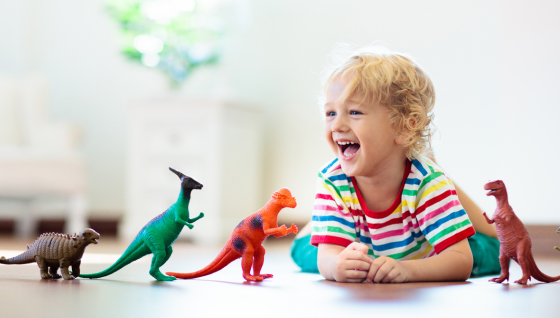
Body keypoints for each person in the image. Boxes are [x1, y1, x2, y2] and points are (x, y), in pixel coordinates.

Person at [290, 46, 500, 283]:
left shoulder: (426, 182)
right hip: (362, 244)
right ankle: (323, 225)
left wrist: (410, 270)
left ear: (403, 127)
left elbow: (461, 261)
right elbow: (327, 256)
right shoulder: (332, 179)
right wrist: (336, 266)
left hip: (422, 249)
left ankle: (427, 163)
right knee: (306, 253)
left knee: (491, 253)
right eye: (330, 113)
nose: (337, 125)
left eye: (355, 112)